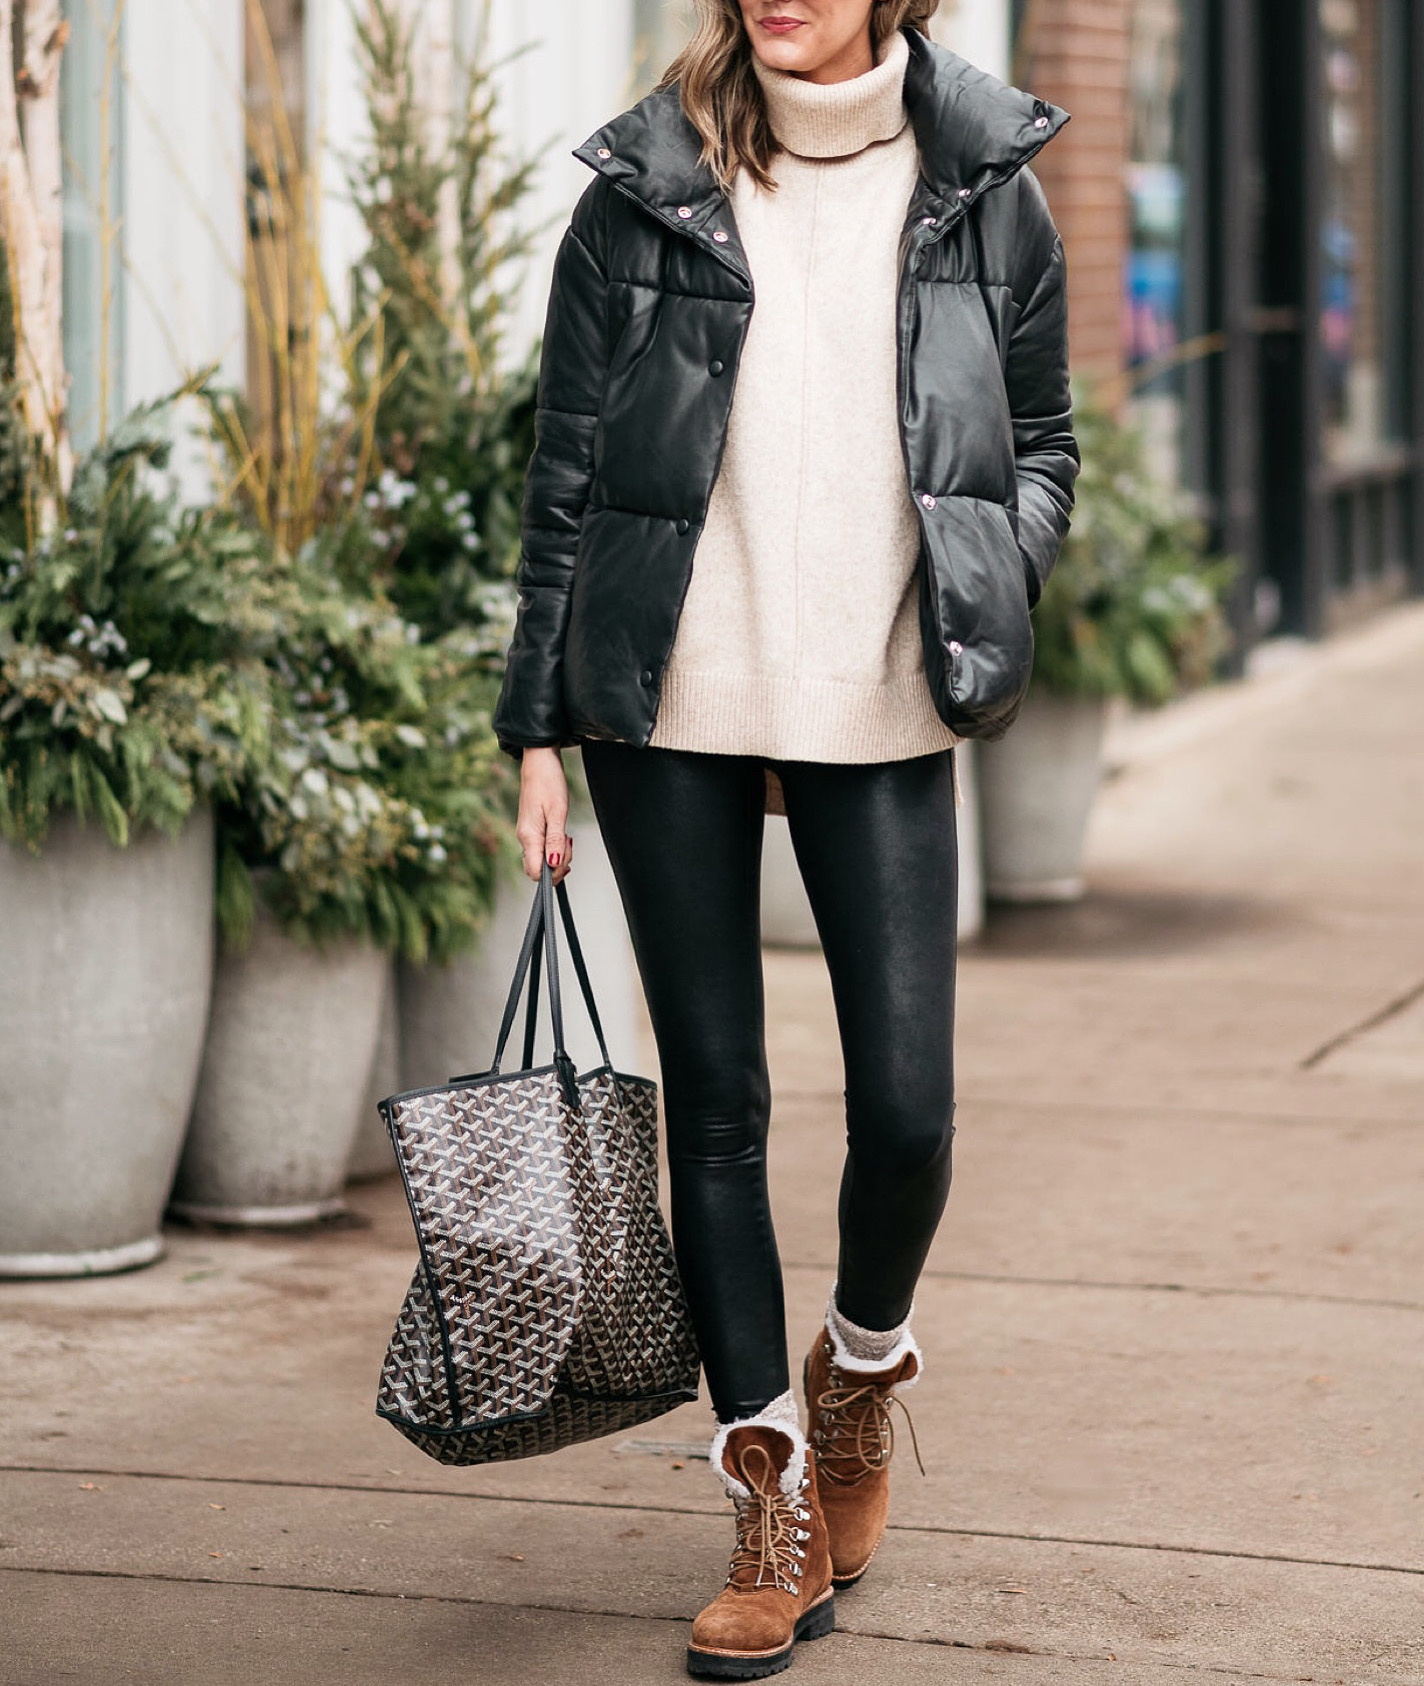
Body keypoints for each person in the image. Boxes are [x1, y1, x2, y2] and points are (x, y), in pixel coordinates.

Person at [494, 1, 1074, 1675]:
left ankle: (861, 1369)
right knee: (721, 1108)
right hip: (671, 692)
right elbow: (570, 470)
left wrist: (982, 571)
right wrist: (538, 717)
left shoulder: (981, 183)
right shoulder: (648, 183)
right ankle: (765, 1481)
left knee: (906, 1107)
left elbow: (1041, 446)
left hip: (883, 694)